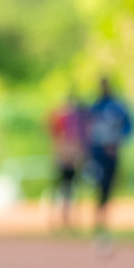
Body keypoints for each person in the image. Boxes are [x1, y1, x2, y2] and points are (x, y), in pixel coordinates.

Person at [83, 78, 132, 244]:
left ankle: (103, 219)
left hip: (111, 154)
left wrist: (117, 142)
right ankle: (99, 220)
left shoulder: (117, 107)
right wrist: (88, 151)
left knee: (109, 186)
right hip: (98, 154)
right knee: (100, 186)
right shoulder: (95, 107)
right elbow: (88, 130)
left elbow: (129, 126)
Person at [47, 98, 86, 230]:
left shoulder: (74, 126)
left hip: (70, 163)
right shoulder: (63, 123)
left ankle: (70, 219)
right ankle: (59, 218)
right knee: (62, 190)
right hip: (64, 163)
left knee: (71, 191)